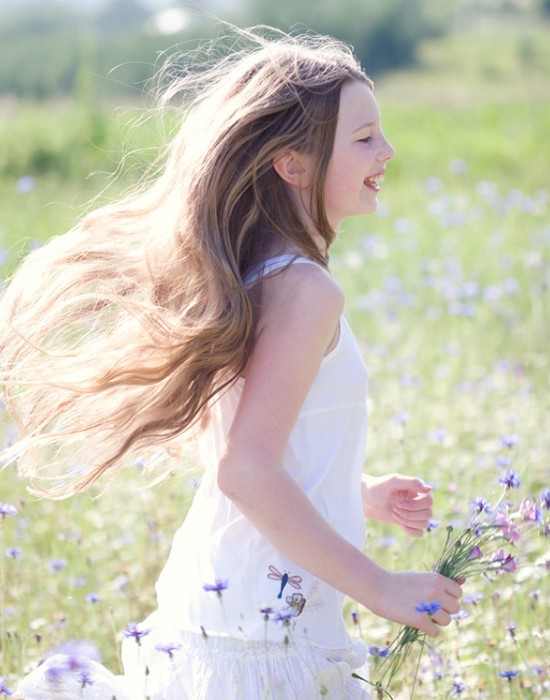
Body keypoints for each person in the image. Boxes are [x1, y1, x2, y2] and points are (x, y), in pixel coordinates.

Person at [1, 27, 463, 700]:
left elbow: (241, 441)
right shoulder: (306, 290)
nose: (387, 152)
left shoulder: (254, 275)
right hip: (261, 627)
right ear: (293, 165)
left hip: (235, 605)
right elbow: (245, 468)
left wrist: (352, 493)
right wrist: (381, 587)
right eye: (364, 138)